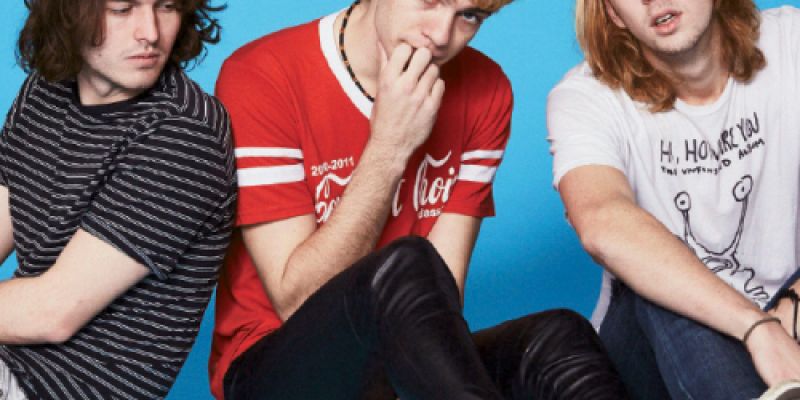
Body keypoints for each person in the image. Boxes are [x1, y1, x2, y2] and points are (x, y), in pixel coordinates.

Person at [208, 0, 629, 399]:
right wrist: (390, 147)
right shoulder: (263, 75)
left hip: (395, 361)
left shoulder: (485, 90)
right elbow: (296, 301)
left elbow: (444, 295)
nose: (442, 35)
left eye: (469, 15)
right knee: (404, 262)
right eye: (430, 1)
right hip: (275, 368)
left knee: (557, 337)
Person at [547, 0, 800, 399]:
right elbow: (601, 222)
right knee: (657, 282)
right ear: (613, 13)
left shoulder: (790, 42)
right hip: (651, 347)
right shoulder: (586, 97)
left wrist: (793, 304)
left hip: (789, 309)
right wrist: (756, 327)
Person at [0, 0, 235, 399]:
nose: (151, 33)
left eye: (167, 7)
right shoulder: (45, 91)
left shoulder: (185, 134)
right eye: (123, 9)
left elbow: (52, 312)